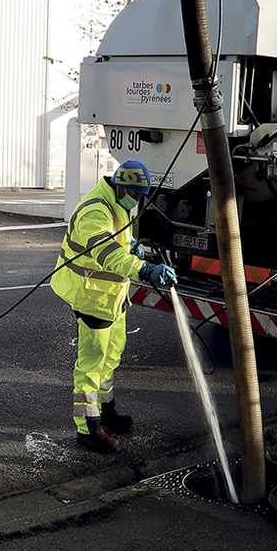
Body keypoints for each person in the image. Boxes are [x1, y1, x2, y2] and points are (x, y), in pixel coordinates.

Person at [51, 160, 177, 452]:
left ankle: (106, 410)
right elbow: (108, 254)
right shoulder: (95, 210)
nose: (137, 201)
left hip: (112, 296)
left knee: (111, 354)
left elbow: (119, 241)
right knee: (91, 364)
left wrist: (131, 245)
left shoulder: (117, 203)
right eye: (134, 195)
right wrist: (144, 269)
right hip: (92, 296)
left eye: (140, 196)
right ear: (120, 186)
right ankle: (88, 428)